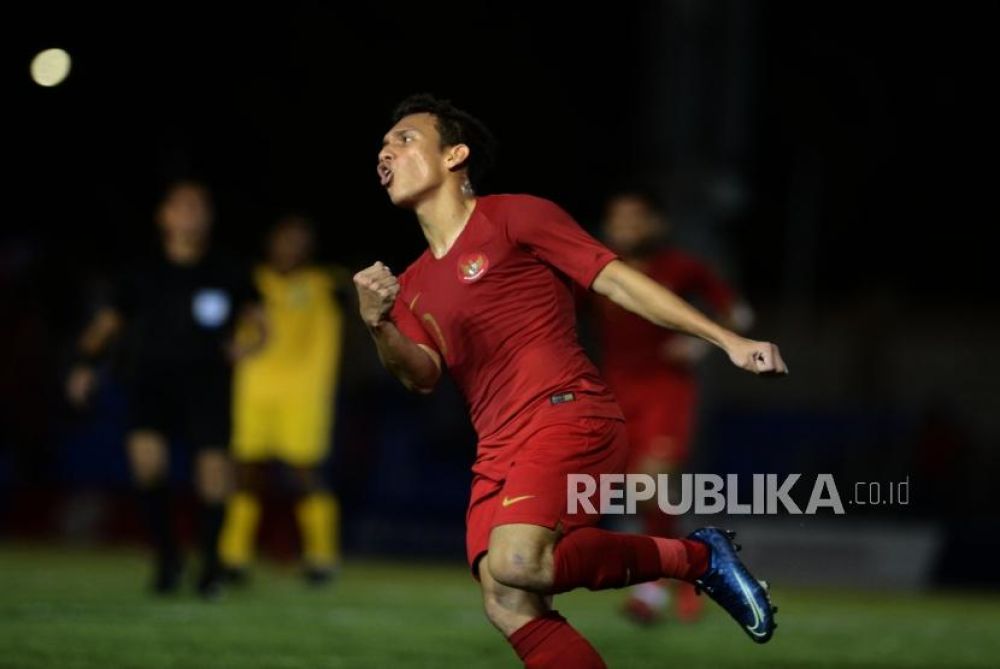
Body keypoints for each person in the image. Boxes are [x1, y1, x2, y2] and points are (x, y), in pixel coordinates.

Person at [355, 94, 787, 667]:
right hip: (497, 449)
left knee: (516, 562)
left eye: (405, 139)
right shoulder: (408, 283)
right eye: (384, 144)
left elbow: (619, 282)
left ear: (455, 156)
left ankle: (696, 559)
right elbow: (421, 376)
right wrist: (378, 323)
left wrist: (726, 339)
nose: (387, 149)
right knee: (507, 599)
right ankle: (693, 558)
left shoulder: (516, 216)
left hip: (567, 413)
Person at [67, 180, 263, 598]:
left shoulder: (226, 269)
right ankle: (167, 557)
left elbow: (261, 326)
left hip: (207, 383)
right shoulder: (141, 272)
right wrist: (83, 365)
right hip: (149, 381)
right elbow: (106, 326)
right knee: (148, 467)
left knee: (213, 475)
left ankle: (210, 566)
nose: (191, 213)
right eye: (182, 206)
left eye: (199, 206)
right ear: (164, 216)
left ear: (209, 217)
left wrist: (244, 347)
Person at [595, 191, 752, 624]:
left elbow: (739, 312)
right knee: (638, 495)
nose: (625, 227)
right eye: (617, 218)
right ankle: (693, 568)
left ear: (655, 225)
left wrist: (701, 344)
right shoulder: (597, 269)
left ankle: (651, 591)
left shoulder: (682, 268)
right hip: (614, 393)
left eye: (635, 218)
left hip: (666, 390)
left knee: (651, 482)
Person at [219, 214, 346, 584]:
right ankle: (233, 558)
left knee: (305, 475)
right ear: (270, 242)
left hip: (304, 394)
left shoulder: (326, 284)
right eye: (285, 239)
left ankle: (321, 559)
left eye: (300, 241)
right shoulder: (251, 282)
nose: (292, 247)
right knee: (245, 471)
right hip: (254, 389)